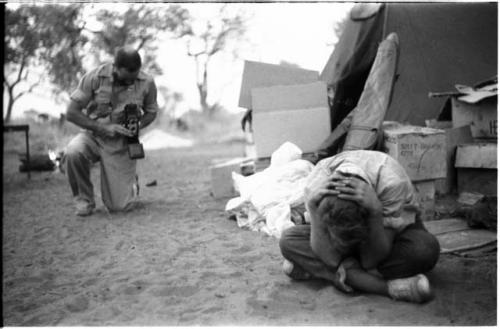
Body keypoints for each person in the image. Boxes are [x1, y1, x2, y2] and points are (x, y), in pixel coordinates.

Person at [279, 150, 440, 303]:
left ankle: (318, 270)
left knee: (424, 249)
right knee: (288, 240)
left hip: (392, 230)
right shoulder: (316, 185)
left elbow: (370, 260)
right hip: (340, 231)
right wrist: (313, 210)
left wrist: (376, 212)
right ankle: (386, 287)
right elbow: (332, 258)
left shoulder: (392, 182)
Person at [63, 46, 159, 216]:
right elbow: (71, 113)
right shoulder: (94, 77)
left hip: (121, 144)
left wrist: (139, 125)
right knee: (73, 151)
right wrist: (102, 128)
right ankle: (84, 200)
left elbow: (151, 112)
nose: (130, 83)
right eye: (126, 79)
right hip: (94, 136)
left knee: (119, 208)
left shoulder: (147, 82)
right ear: (115, 67)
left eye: (133, 78)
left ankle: (131, 184)